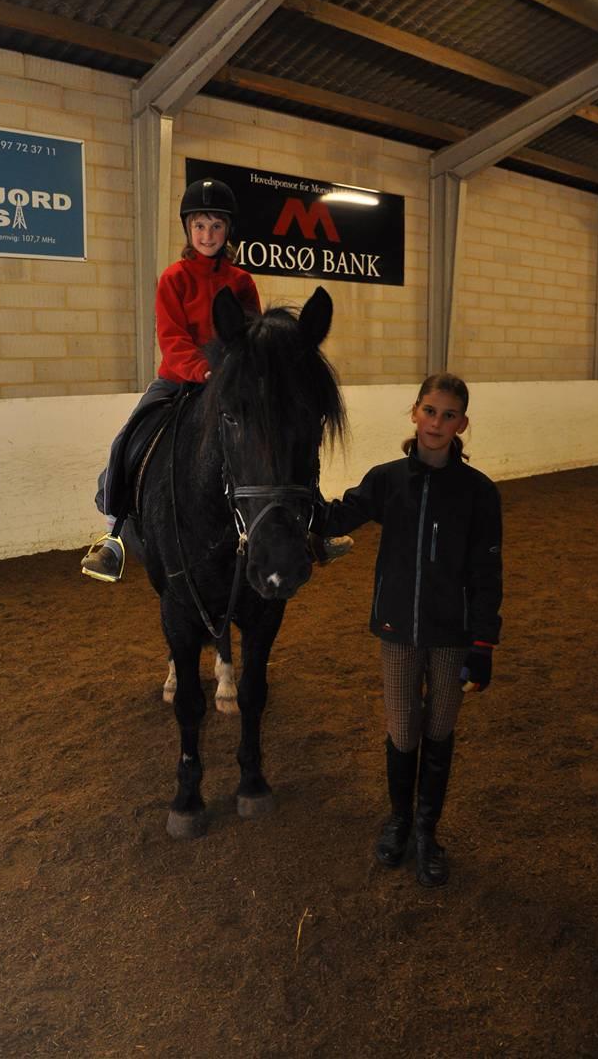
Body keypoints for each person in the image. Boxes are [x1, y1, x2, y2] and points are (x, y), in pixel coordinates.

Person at [81, 177, 352, 582]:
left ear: (228, 231)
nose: (207, 235)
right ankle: (113, 536)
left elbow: (255, 338)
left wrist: (240, 375)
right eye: (199, 226)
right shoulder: (173, 278)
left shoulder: (241, 281)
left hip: (235, 385)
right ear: (188, 230)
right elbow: (171, 338)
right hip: (179, 379)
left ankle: (313, 525)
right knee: (128, 439)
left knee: (278, 440)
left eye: (216, 226)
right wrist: (205, 371)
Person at [314, 373, 502, 886]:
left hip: (452, 636)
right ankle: (399, 819)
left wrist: (483, 643)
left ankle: (426, 830)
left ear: (462, 423)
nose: (436, 423)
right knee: (403, 730)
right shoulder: (387, 480)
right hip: (397, 631)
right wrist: (296, 497)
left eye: (448, 415)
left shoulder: (479, 493)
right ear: (414, 412)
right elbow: (335, 518)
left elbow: (487, 574)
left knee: (438, 731)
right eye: (429, 411)